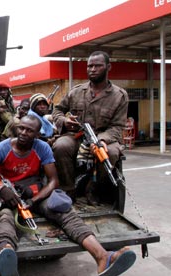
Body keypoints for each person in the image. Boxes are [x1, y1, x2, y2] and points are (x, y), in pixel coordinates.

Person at [0, 115, 136, 276]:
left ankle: (103, 257)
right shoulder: (2, 148)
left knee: (66, 213)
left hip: (35, 193)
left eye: (29, 130)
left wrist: (34, 200)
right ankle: (7, 257)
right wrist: (0, 190)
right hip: (10, 195)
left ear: (37, 135)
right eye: (21, 128)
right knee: (4, 218)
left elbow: (53, 181)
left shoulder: (42, 148)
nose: (23, 132)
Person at [52, 51, 128, 203]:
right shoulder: (76, 92)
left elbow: (118, 126)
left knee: (111, 153)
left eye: (97, 66)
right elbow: (57, 110)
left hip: (103, 137)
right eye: (90, 66)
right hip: (78, 136)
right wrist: (65, 121)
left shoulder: (119, 95)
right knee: (60, 146)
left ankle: (92, 188)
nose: (92, 69)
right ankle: (69, 189)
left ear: (108, 67)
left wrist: (102, 140)